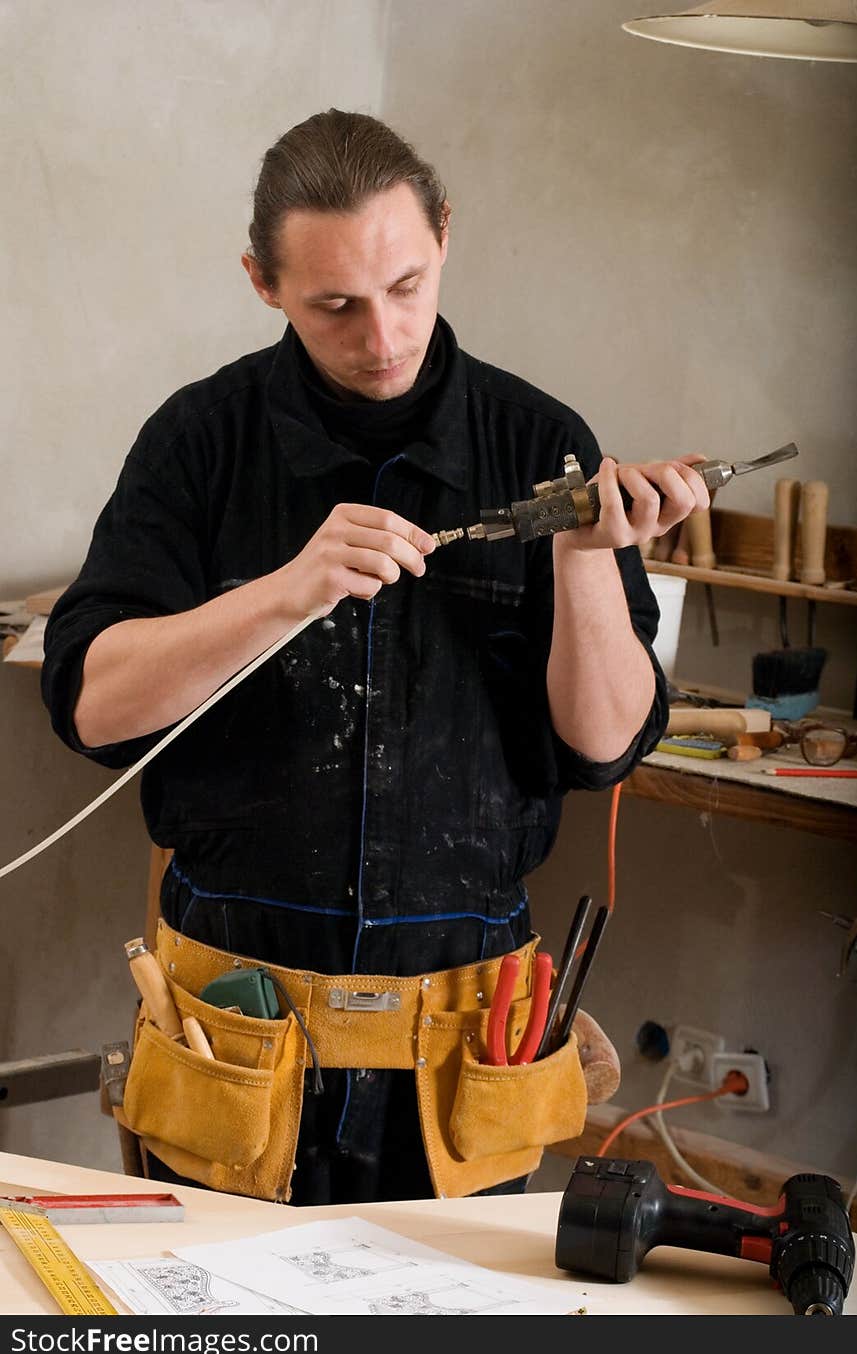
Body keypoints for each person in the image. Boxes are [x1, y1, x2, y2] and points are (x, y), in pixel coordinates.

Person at [41, 109, 709, 1206]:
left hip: (461, 1046)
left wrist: (590, 557)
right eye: (335, 305)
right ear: (262, 280)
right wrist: (282, 591)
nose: (383, 335)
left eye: (405, 285)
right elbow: (92, 705)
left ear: (442, 233)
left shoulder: (542, 444)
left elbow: (600, 747)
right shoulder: (199, 441)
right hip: (238, 1029)